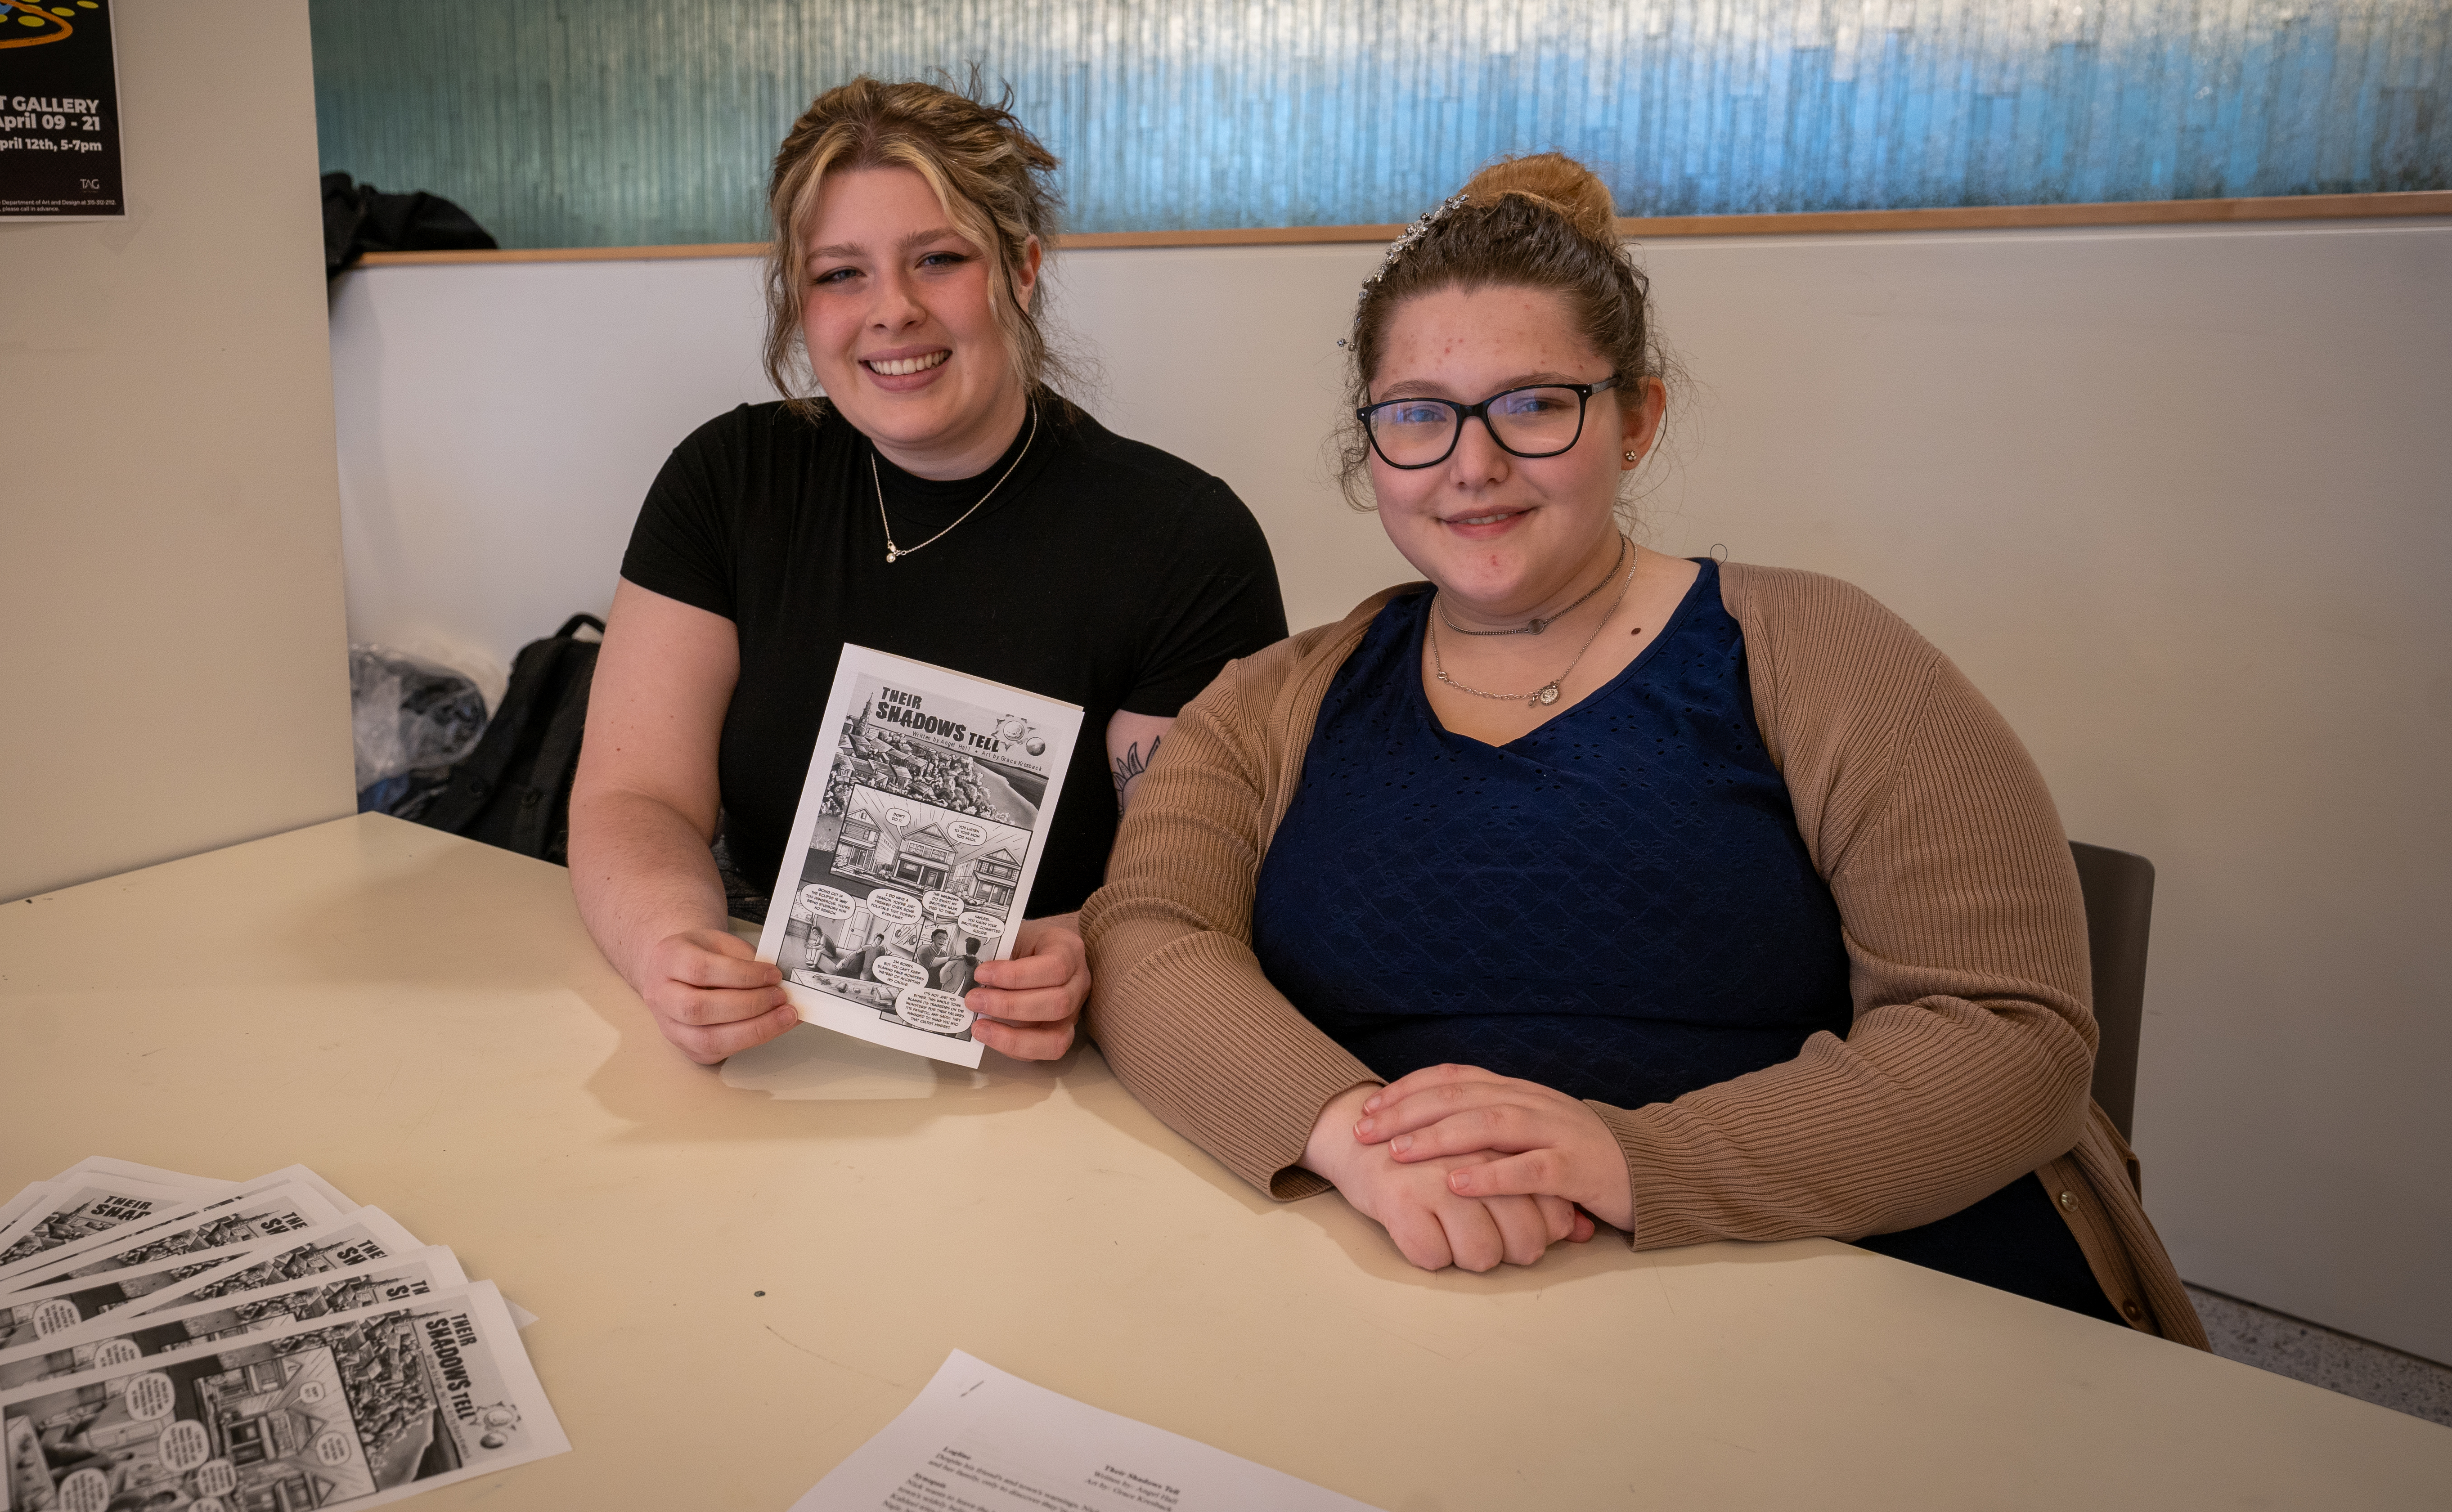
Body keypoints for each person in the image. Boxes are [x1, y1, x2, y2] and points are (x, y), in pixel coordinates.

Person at [1079, 153, 2205, 1343]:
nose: (1474, 463)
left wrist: (1627, 1157)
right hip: (1415, 1294)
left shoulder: (1828, 659)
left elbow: (2007, 1040)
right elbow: (1151, 934)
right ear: (1373, 446)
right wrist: (1353, 1138)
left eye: (1534, 403)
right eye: (1418, 414)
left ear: (1637, 418)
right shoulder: (1267, 704)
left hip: (1844, 1295)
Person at [572, 77, 1288, 1065]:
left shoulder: (1182, 539)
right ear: (799, 300)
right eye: (840, 275)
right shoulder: (728, 481)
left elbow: (1200, 880)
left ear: (1022, 270)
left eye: (939, 261)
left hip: (1065, 1059)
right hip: (783, 1039)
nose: (892, 312)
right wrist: (671, 947)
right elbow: (633, 796)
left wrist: (1089, 950)